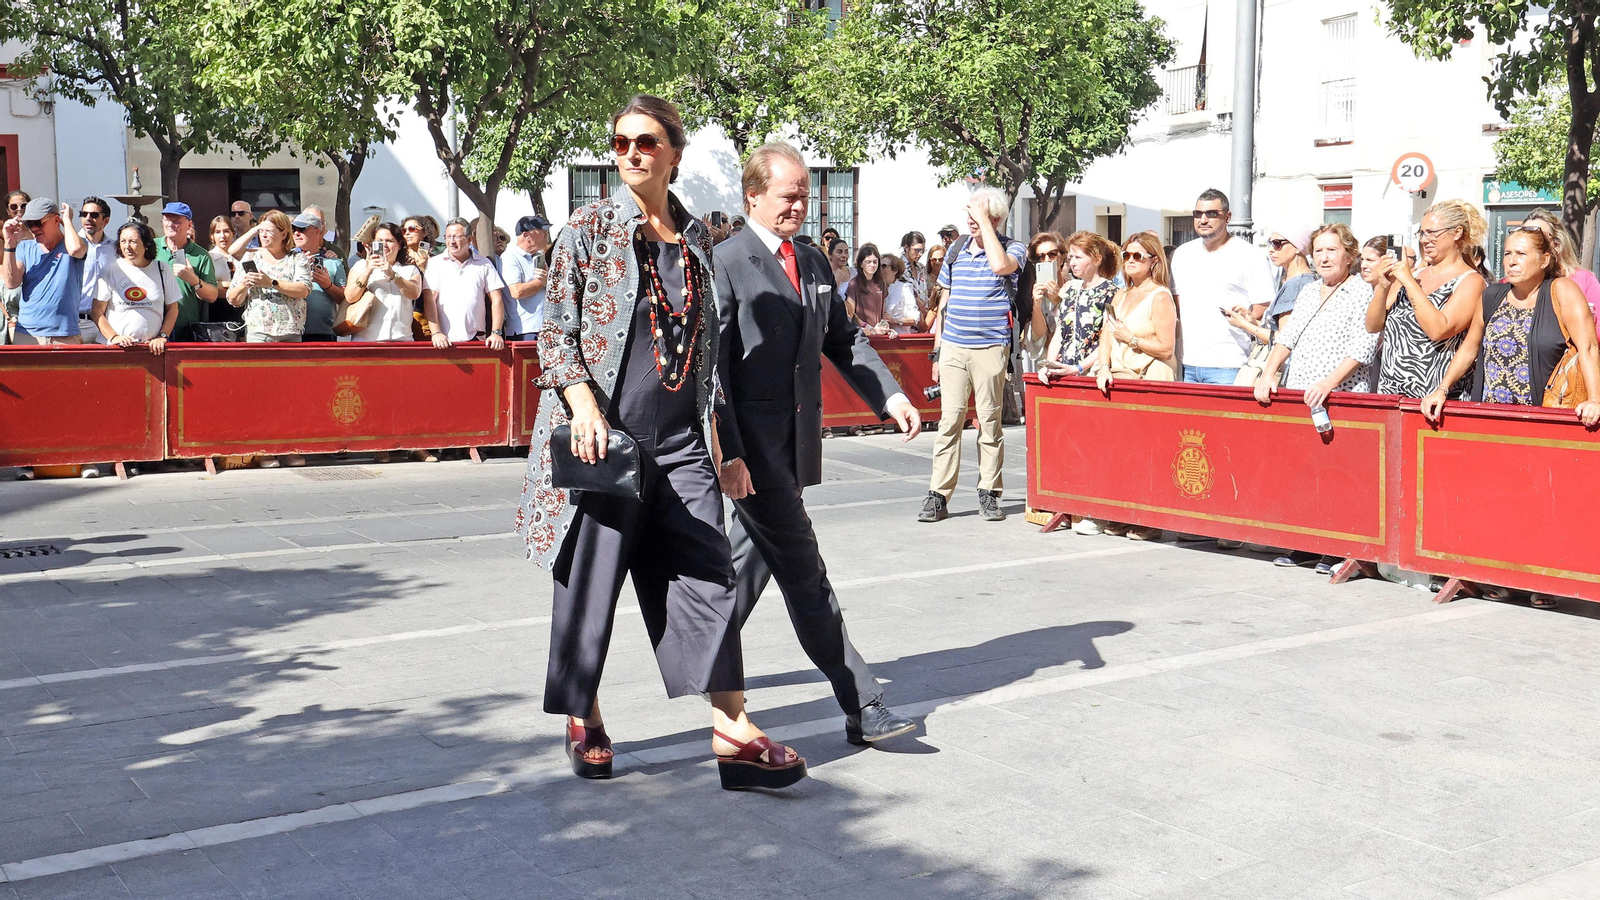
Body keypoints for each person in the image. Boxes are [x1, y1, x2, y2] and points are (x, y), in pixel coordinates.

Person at [515, 95, 803, 791]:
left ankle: (732, 728)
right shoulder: (587, 228)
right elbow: (554, 334)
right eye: (619, 144)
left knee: (708, 574)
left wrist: (726, 447)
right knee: (591, 587)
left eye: (645, 142)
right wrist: (581, 405)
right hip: (604, 442)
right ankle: (582, 710)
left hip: (680, 444)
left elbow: (708, 357)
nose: (631, 155)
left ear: (673, 151)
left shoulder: (699, 238)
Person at [714, 140, 922, 747]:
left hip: (795, 445)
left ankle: (696, 652)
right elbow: (716, 371)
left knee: (739, 572)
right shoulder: (724, 262)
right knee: (807, 575)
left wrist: (892, 396)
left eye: (805, 192)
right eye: (789, 193)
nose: (800, 203)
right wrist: (728, 453)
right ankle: (862, 703)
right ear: (754, 196)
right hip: (753, 453)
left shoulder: (810, 261)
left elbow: (844, 339)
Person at [920, 186, 1025, 523]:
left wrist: (985, 224)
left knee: (989, 422)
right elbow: (944, 304)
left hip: (991, 348)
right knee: (949, 422)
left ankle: (989, 491)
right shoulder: (955, 250)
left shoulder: (1014, 249)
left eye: (978, 213)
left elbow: (999, 266)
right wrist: (937, 353)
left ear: (996, 217)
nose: (970, 219)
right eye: (969, 213)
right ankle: (938, 494)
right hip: (953, 347)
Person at [1435, 226, 1600, 425]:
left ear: (1544, 260)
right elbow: (1470, 348)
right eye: (1507, 254)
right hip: (1490, 415)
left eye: (1521, 254)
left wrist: (1595, 400)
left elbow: (1588, 347)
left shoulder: (1563, 291)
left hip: (1543, 417)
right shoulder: (1492, 296)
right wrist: (1442, 389)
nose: (1512, 261)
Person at [1091, 232, 1178, 540]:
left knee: (1150, 451)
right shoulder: (1120, 294)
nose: (1129, 261)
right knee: (1123, 451)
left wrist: (1132, 340)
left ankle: (1150, 517)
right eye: (1127, 255)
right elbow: (1106, 334)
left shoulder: (1161, 296)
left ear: (1154, 261)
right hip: (1120, 377)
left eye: (1137, 256)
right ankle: (1125, 512)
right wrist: (1102, 367)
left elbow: (1167, 348)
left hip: (1153, 377)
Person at [1367, 199, 1487, 398]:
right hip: (1391, 394)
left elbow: (1438, 330)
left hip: (1435, 399)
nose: (1424, 240)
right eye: (1422, 233)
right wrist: (1382, 286)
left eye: (1432, 233)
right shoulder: (1413, 275)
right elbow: (1373, 326)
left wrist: (1408, 281)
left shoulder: (1470, 281)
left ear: (1457, 232)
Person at [1253, 224, 1381, 408]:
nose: (1324, 258)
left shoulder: (1362, 291)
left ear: (1350, 256)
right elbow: (1288, 337)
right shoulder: (1309, 290)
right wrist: (1267, 375)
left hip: (1339, 398)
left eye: (1332, 250)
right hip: (1299, 394)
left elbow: (1361, 350)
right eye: (1318, 251)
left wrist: (1327, 384)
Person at [1168, 189, 1276, 383]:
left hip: (1229, 363)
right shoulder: (1183, 254)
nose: (1203, 219)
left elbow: (1263, 305)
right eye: (1198, 214)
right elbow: (1177, 305)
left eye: (1211, 214)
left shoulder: (1250, 255)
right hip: (1187, 362)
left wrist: (1247, 317)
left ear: (1227, 217)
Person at [3, 197, 88, 345]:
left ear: (56, 220)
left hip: (63, 336)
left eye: (38, 223)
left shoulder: (71, 245)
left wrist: (67, 220)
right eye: (29, 224)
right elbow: (11, 283)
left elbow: (76, 250)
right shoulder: (25, 247)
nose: (34, 229)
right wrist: (9, 244)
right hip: (27, 334)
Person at [1036, 230, 1118, 384]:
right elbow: (1061, 332)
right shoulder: (1070, 289)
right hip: (1062, 371)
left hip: (1092, 373)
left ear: (1097, 260)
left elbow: (1108, 339)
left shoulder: (1111, 292)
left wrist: (1078, 368)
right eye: (1071, 258)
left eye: (1078, 257)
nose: (1072, 263)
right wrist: (1049, 365)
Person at [92, 220, 180, 355]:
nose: (127, 247)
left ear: (146, 244)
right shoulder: (110, 270)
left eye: (133, 241)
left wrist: (162, 336)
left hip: (151, 350)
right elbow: (97, 311)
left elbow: (173, 309)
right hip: (117, 350)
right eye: (123, 241)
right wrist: (114, 337)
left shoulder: (162, 269)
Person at [227, 209, 312, 344]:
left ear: (283, 234)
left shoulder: (297, 258)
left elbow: (303, 290)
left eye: (269, 231)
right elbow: (233, 298)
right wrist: (244, 285)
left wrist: (271, 283)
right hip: (259, 332)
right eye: (261, 231)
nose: (264, 235)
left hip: (290, 332)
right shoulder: (251, 256)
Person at [423, 218, 508, 349]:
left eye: (457, 237)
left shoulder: (484, 263)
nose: (451, 242)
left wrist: (496, 332)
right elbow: (430, 299)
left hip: (476, 338)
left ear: (469, 239)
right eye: (448, 237)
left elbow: (496, 299)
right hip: (444, 340)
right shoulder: (435, 263)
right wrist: (436, 332)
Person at [1523, 208, 1600, 334]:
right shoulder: (1509, 285)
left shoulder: (1584, 280)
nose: (1531, 243)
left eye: (1539, 237)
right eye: (1524, 237)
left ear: (1557, 245)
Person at [343, 222, 422, 343]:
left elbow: (414, 293)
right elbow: (350, 297)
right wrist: (368, 271)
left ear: (399, 244)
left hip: (401, 339)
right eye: (379, 241)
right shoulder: (361, 266)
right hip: (367, 340)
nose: (384, 245)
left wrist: (393, 274)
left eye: (389, 241)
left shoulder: (409, 269)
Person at [156, 202, 221, 341]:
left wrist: (193, 280)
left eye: (176, 221)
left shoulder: (201, 255)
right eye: (167, 219)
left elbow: (212, 296)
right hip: (153, 328)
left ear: (189, 224)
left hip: (184, 330)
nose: (170, 225)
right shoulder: (151, 248)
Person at [291, 211, 348, 343]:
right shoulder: (286, 260)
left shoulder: (333, 262)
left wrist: (328, 285)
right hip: (290, 332)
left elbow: (344, 300)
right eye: (294, 229)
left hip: (323, 332)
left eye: (302, 229)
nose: (296, 233)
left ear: (317, 231)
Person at [1017, 232, 1066, 369]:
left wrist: (1057, 299)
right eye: (1040, 256)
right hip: (1039, 361)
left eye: (1052, 254)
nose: (1047, 260)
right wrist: (1036, 306)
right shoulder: (1032, 290)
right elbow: (1038, 335)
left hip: (1067, 359)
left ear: (1062, 258)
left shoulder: (1073, 287)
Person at [74, 197, 117, 345]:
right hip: (76, 321)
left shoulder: (115, 249)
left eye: (94, 215)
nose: (87, 218)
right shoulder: (71, 245)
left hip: (106, 321)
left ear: (106, 220)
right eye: (84, 214)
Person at [500, 215, 550, 341]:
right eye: (542, 231)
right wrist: (541, 282)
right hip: (525, 330)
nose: (546, 235)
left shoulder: (539, 256)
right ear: (527, 236)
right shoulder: (510, 257)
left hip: (544, 328)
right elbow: (516, 291)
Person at [2, 191, 29, 343]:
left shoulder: (37, 233)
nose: (19, 210)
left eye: (24, 205)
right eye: (14, 206)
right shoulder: (2, 234)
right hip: (8, 295)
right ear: (7, 210)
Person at [845, 243, 887, 331]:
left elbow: (883, 311)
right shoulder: (854, 284)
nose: (872, 265)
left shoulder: (881, 283)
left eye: (875, 262)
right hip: (862, 332)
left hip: (878, 333)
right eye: (868, 262)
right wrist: (867, 327)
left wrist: (884, 326)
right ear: (861, 264)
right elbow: (850, 312)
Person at [880, 254, 919, 334]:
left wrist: (895, 321)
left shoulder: (904, 288)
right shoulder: (874, 288)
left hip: (899, 338)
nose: (880, 269)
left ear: (894, 271)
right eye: (879, 266)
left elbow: (915, 318)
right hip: (880, 338)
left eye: (884, 266)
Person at [922, 242, 946, 331]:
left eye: (941, 259)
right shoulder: (923, 277)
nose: (937, 262)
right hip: (927, 316)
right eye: (934, 260)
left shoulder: (950, 278)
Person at [901, 230, 927, 300]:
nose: (920, 254)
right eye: (917, 250)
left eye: (923, 250)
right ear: (906, 247)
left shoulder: (921, 267)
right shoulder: (898, 266)